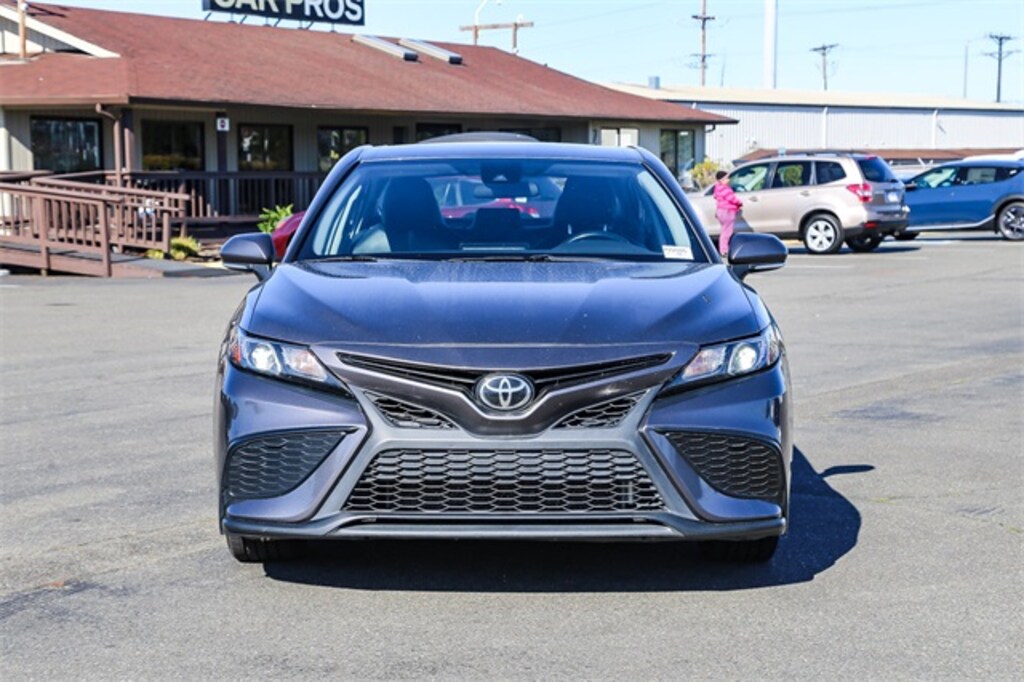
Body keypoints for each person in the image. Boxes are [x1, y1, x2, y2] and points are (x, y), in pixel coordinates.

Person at [713, 170, 743, 258]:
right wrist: (739, 203)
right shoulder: (725, 189)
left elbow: (717, 198)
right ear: (721, 180)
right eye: (726, 178)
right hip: (728, 211)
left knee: (723, 230)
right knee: (728, 232)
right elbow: (731, 198)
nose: (728, 180)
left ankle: (723, 249)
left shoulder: (717, 188)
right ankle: (724, 250)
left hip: (720, 211)